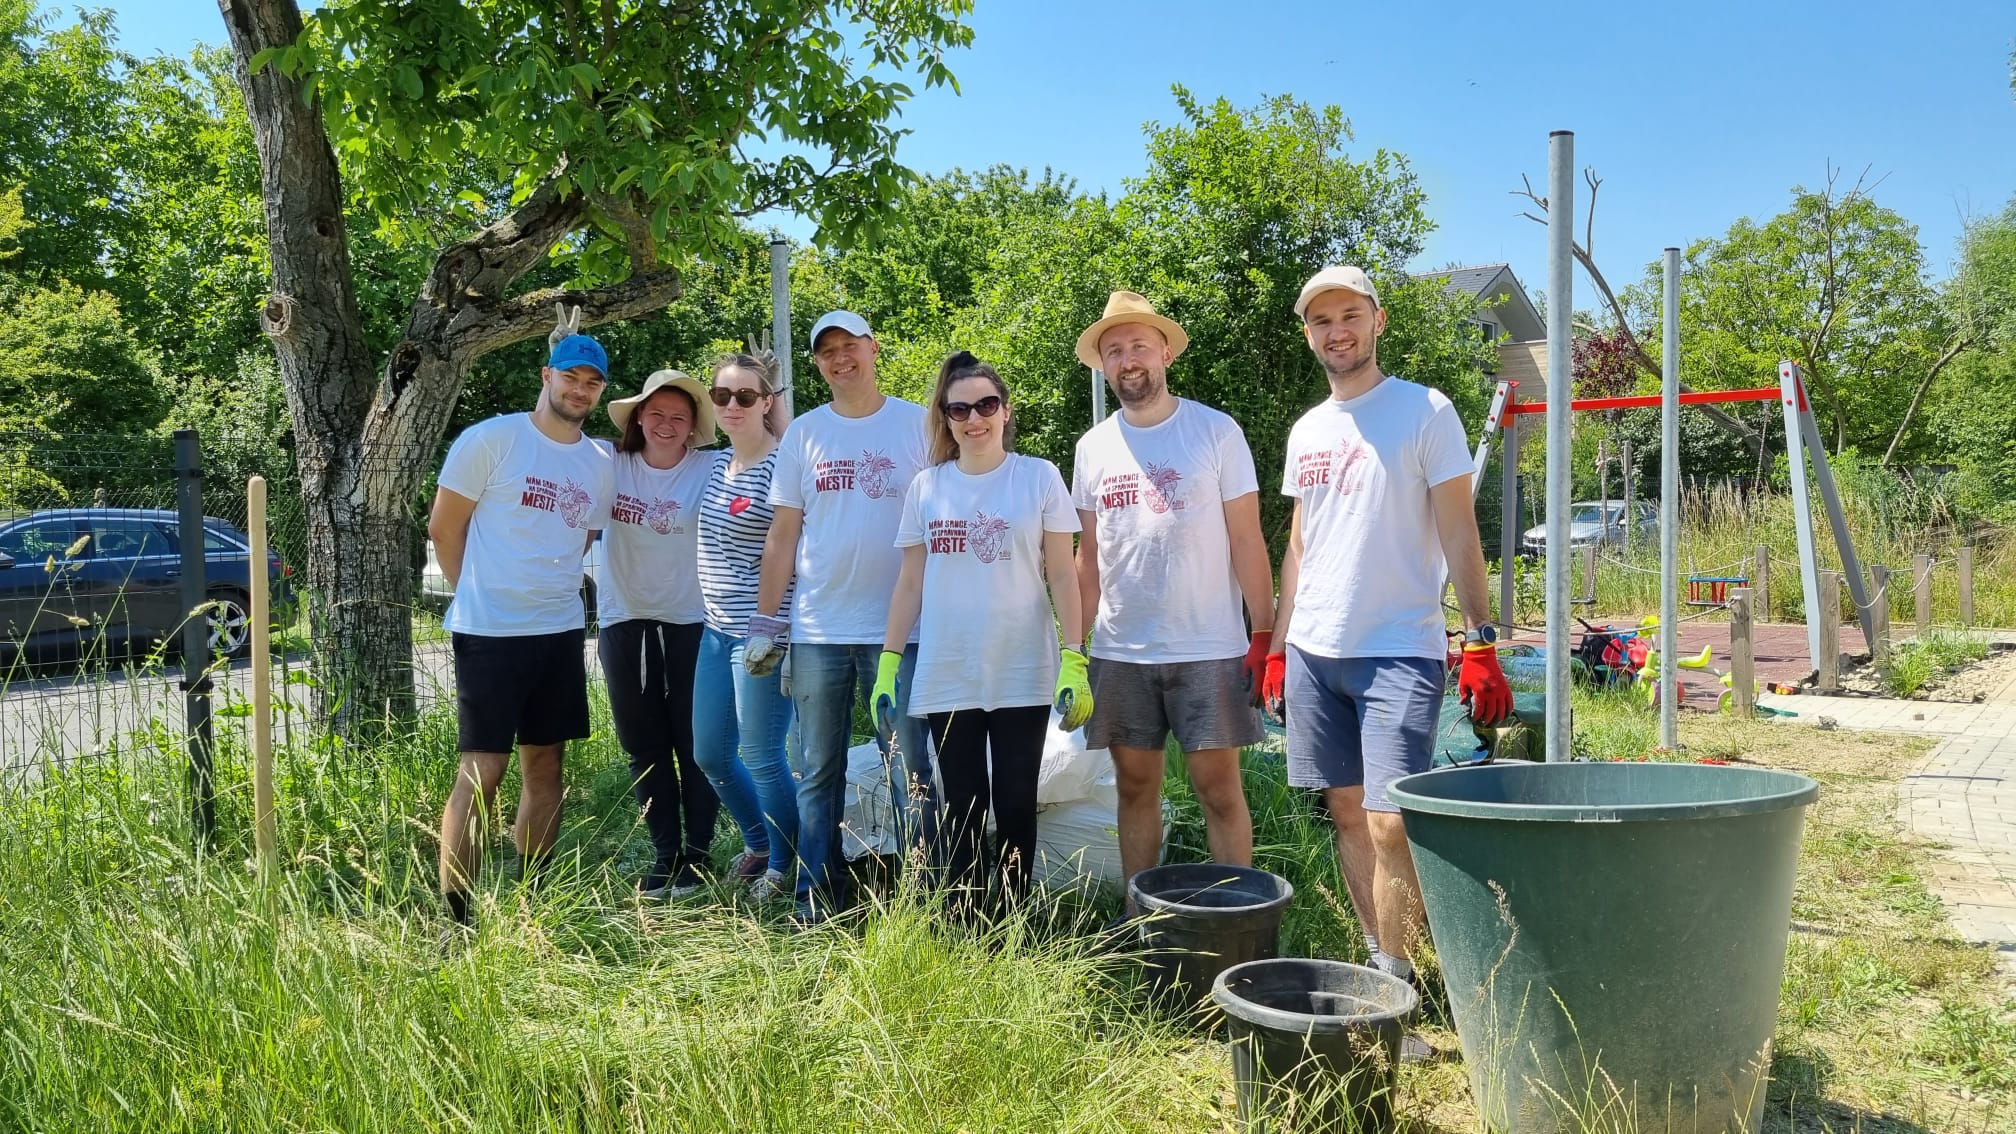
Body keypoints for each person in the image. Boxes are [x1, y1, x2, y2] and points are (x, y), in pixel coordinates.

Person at [1264, 265, 1511, 1021]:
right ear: (1308, 335)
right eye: (1321, 321)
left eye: (1350, 315)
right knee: (1345, 812)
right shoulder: (1308, 430)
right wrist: (1276, 645)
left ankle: (1395, 990)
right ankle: (1382, 967)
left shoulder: (1424, 411)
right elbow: (1300, 545)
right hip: (1315, 650)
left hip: (1399, 646)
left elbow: (1459, 530)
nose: (1336, 331)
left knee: (1389, 820)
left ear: (1377, 321)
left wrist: (1481, 640)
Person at [1069, 291, 1276, 908]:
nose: (1128, 359)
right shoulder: (1092, 447)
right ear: (1104, 366)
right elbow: (1089, 557)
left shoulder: (1215, 431)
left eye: (1139, 345)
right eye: (1114, 351)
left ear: (1165, 353)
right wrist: (1072, 649)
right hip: (1121, 650)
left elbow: (1247, 539)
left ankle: (1238, 918)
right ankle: (1140, 919)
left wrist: (1264, 636)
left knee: (1219, 790)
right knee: (1135, 788)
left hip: (1208, 646)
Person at [876, 351, 1090, 915]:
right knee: (964, 804)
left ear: (1005, 411)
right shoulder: (926, 487)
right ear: (945, 418)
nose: (975, 419)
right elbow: (910, 581)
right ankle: (967, 920)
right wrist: (889, 663)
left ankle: (1014, 921)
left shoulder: (1037, 477)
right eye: (960, 409)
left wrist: (1075, 655)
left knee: (1016, 801)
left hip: (1022, 666)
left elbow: (1062, 573)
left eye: (986, 405)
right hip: (949, 669)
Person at [746, 310, 934, 924]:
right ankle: (816, 896)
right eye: (827, 351)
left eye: (850, 345)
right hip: (819, 628)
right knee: (817, 770)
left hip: (899, 631)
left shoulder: (917, 424)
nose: (840, 358)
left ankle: (923, 898)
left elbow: (948, 515)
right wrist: (766, 622)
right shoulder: (805, 433)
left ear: (873, 349)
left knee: (909, 767)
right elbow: (783, 534)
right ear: (818, 364)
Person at [429, 332, 617, 928]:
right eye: (571, 377)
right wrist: (479, 592)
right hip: (489, 633)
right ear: (546, 375)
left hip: (559, 632)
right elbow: (443, 528)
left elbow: (582, 536)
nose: (580, 390)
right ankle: (457, 918)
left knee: (546, 767)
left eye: (592, 383)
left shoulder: (599, 463)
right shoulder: (493, 439)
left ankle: (532, 901)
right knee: (483, 772)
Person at [597, 368, 726, 899]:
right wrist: (553, 374)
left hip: (694, 622)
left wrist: (769, 395)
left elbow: (776, 455)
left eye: (679, 416)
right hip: (624, 620)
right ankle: (665, 854)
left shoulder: (714, 466)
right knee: (643, 746)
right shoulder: (609, 462)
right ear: (638, 418)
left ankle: (698, 857)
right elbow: (554, 444)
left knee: (697, 745)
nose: (666, 424)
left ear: (694, 426)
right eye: (656, 414)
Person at [691, 352, 799, 905]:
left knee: (761, 755)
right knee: (710, 753)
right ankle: (759, 842)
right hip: (715, 631)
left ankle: (786, 865)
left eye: (747, 396)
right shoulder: (714, 465)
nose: (732, 405)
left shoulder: (785, 465)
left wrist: (771, 625)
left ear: (766, 402)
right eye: (722, 395)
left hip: (765, 634)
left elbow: (791, 547)